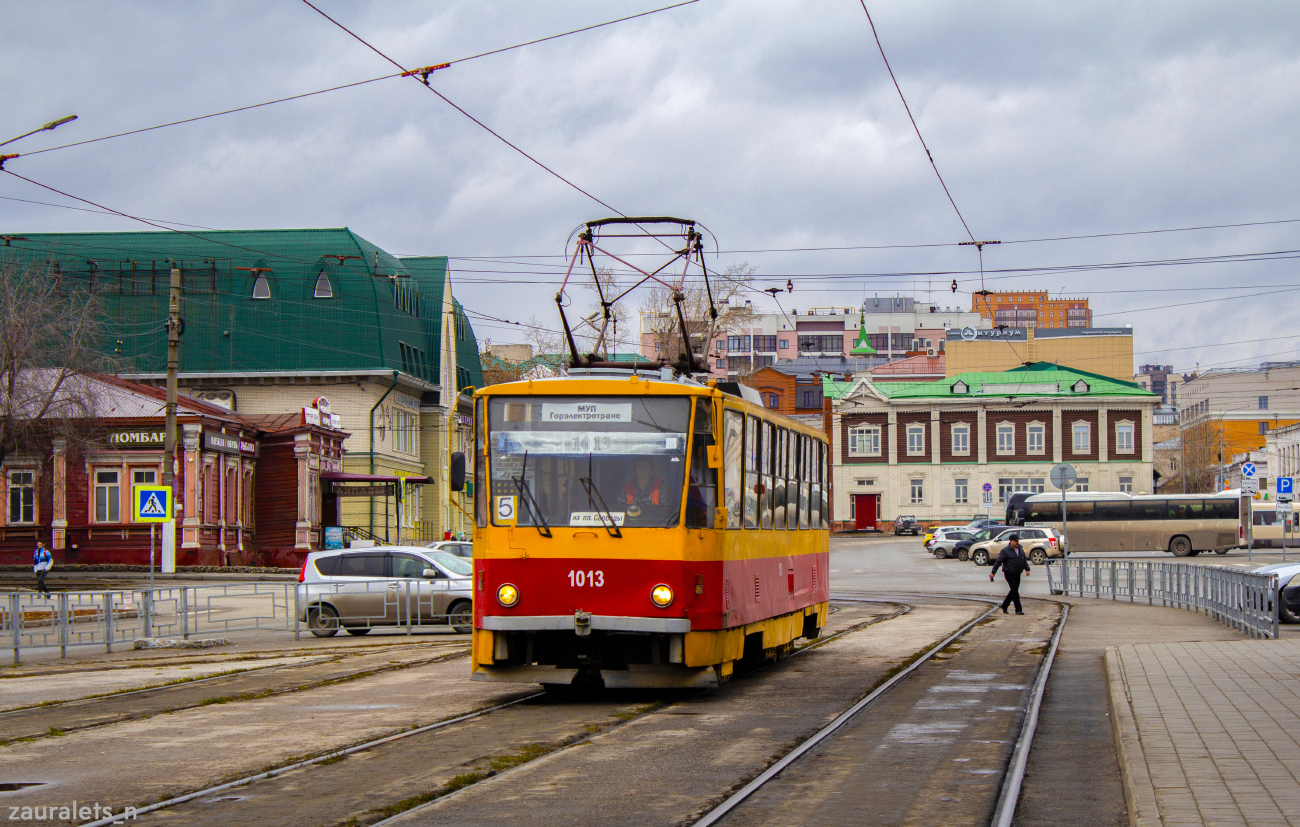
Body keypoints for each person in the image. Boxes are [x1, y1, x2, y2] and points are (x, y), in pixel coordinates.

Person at [989, 534, 1029, 615]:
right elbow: (998, 562)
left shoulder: (1020, 549)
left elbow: (1024, 560)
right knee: (1015, 590)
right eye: (1015, 541)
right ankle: (1018, 609)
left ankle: (1004, 605)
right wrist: (993, 572)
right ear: (1010, 541)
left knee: (1014, 590)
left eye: (1018, 541)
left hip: (1018, 572)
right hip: (1009, 572)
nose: (1017, 543)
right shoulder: (1005, 551)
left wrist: (1027, 569)